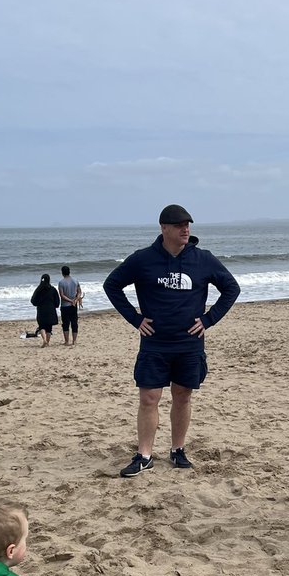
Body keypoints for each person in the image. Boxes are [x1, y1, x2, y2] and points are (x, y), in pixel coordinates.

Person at [103, 204, 241, 477]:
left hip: (189, 344)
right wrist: (135, 319)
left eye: (188, 225)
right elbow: (112, 285)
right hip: (155, 344)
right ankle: (144, 455)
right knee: (149, 398)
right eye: (179, 226)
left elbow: (231, 288)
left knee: (182, 396)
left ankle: (177, 450)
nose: (185, 229)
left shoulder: (203, 259)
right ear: (164, 228)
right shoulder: (143, 259)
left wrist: (208, 319)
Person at [30, 274, 60, 347]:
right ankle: (48, 342)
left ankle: (44, 340)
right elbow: (57, 301)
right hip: (50, 310)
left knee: (42, 326)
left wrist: (37, 304)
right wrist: (55, 305)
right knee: (49, 328)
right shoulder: (53, 289)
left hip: (41, 310)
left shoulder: (38, 289)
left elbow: (33, 300)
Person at [58, 264, 83, 346]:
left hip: (65, 305)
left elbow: (62, 295)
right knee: (74, 322)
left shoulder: (61, 282)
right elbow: (79, 292)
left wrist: (70, 300)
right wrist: (75, 300)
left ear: (62, 273)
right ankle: (74, 341)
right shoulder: (75, 280)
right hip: (73, 305)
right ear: (69, 272)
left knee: (65, 323)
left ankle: (66, 341)